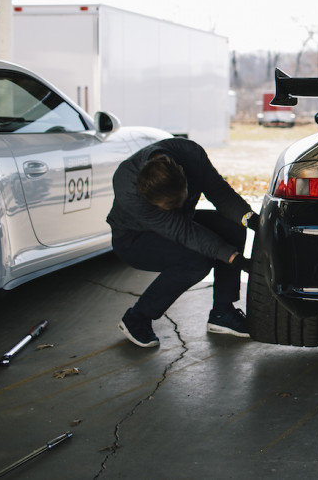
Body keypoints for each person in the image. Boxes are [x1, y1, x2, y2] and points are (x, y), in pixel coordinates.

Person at [108, 137, 260, 348]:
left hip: (180, 223)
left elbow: (220, 194)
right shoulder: (127, 186)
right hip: (134, 239)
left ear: (181, 172)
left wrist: (254, 222)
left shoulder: (191, 154)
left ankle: (222, 312)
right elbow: (185, 233)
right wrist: (238, 260)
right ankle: (137, 318)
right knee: (196, 261)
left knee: (231, 226)